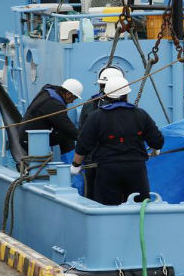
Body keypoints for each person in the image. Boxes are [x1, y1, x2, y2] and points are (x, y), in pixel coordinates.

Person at [71, 76, 164, 206]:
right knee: (139, 208)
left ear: (106, 95)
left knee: (107, 209)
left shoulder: (96, 117)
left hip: (108, 171)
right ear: (126, 95)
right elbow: (157, 141)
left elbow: (83, 145)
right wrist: (156, 149)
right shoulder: (140, 115)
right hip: (136, 170)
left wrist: (76, 165)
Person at [78, 66, 124, 199]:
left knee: (92, 195)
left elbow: (83, 134)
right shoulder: (126, 109)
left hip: (92, 160)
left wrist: (78, 161)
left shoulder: (90, 104)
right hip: (113, 161)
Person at [18, 79, 83, 154]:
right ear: (68, 94)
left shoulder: (49, 92)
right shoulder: (53, 104)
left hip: (27, 135)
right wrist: (86, 138)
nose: (72, 101)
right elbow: (68, 128)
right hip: (31, 139)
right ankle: (71, 164)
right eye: (73, 98)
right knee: (67, 134)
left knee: (64, 133)